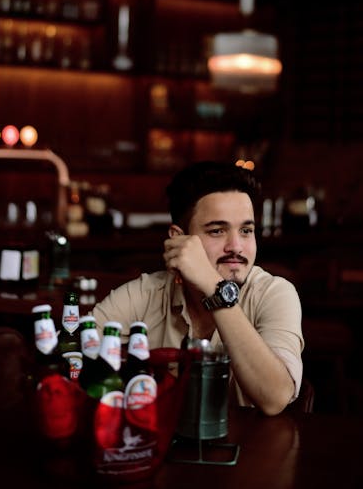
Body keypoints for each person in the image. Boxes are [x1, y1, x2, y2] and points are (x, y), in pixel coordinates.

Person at [92, 160, 304, 415]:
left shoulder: (275, 293)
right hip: (159, 449)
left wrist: (212, 287)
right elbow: (68, 358)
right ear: (178, 240)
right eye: (217, 231)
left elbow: (274, 397)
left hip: (253, 452)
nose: (236, 246)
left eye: (246, 230)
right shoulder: (146, 292)